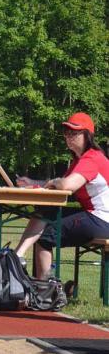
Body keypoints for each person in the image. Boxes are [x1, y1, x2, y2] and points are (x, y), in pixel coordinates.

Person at [15, 112, 109, 279]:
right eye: (66, 133)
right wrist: (31, 182)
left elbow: (65, 185)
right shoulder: (79, 161)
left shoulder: (92, 158)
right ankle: (17, 255)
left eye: (74, 132)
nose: (68, 137)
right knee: (44, 212)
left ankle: (45, 286)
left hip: (102, 219)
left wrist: (53, 182)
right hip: (95, 216)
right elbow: (58, 183)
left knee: (45, 236)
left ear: (87, 135)